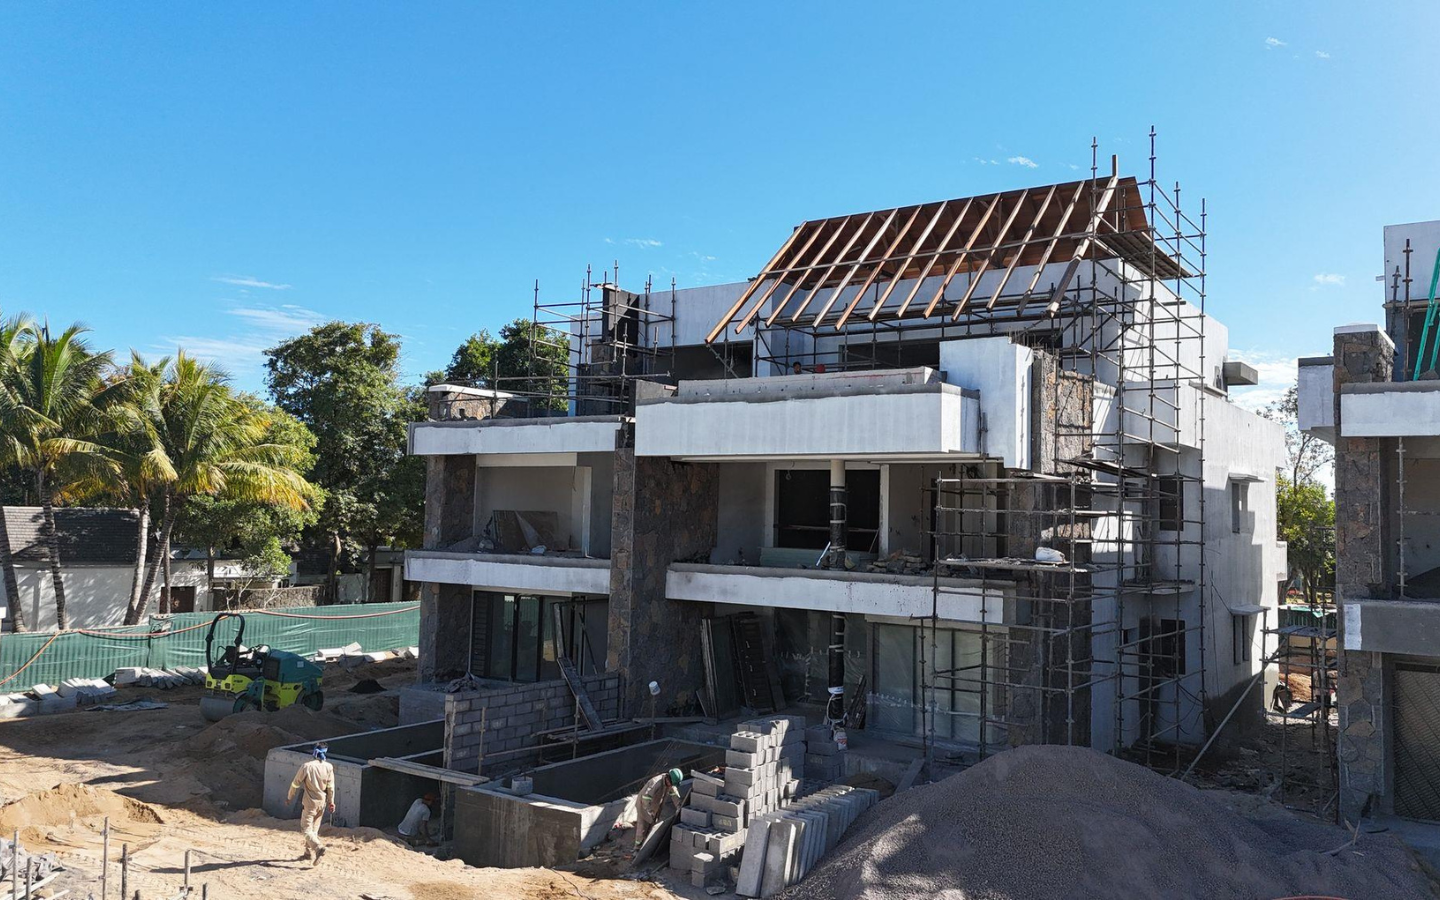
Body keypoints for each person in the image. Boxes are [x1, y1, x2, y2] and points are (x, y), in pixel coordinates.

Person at [287, 742, 336, 864]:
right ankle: (307, 853)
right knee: (314, 829)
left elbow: (295, 783)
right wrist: (331, 801)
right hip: (322, 802)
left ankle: (318, 848)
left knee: (306, 829)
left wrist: (289, 796)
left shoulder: (307, 766)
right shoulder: (329, 767)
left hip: (310, 803)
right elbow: (331, 787)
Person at [632, 768, 683, 853]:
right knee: (642, 827)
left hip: (655, 805)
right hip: (643, 806)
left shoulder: (670, 783)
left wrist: (679, 806)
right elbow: (645, 798)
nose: (671, 786)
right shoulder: (656, 783)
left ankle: (647, 845)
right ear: (668, 779)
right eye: (672, 784)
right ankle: (637, 848)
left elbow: (674, 794)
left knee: (652, 825)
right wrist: (649, 811)